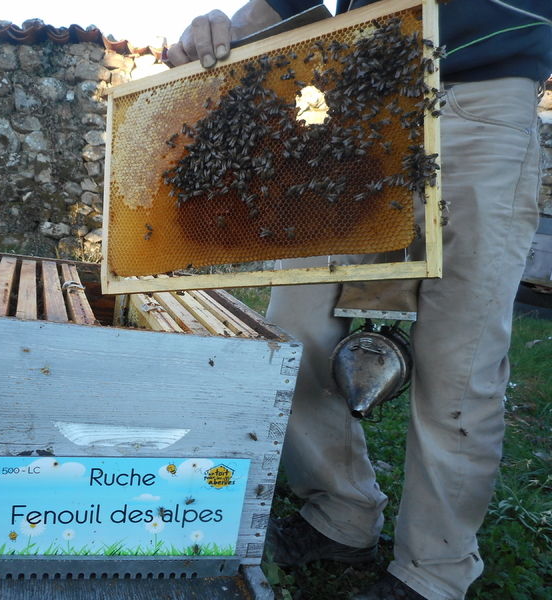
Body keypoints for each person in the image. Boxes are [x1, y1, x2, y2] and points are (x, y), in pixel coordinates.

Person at [166, 1, 552, 599]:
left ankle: (434, 570)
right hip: (359, 104)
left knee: (461, 358)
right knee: (296, 327)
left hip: (484, 99)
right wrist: (227, 28)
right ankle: (341, 516)